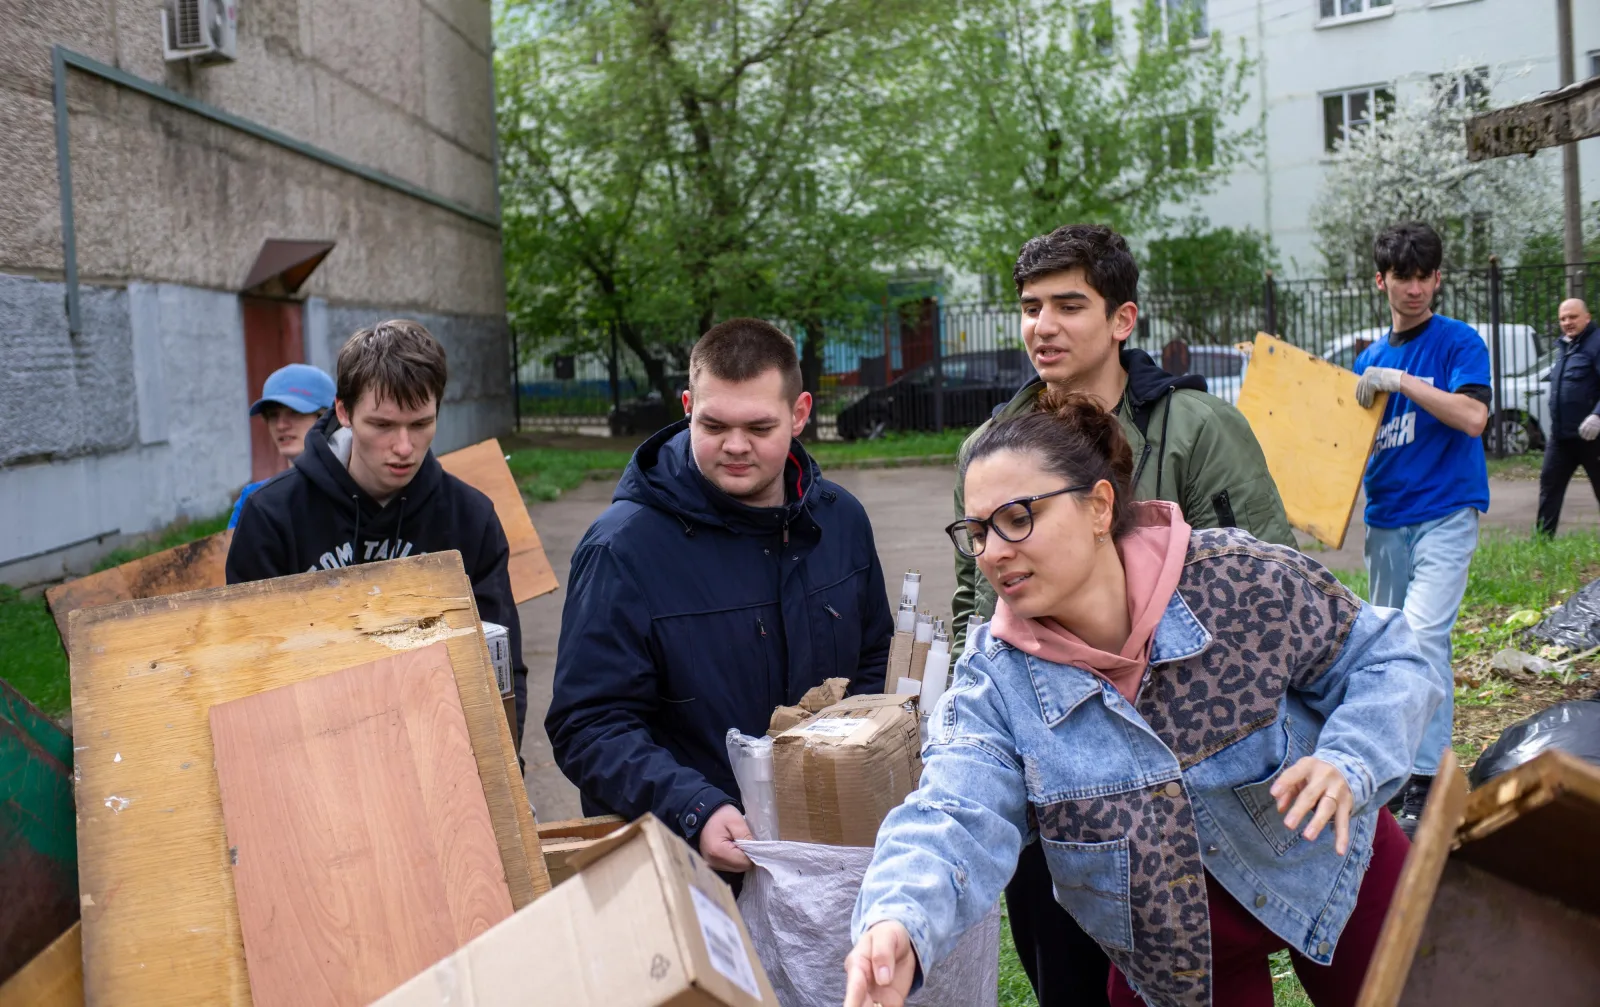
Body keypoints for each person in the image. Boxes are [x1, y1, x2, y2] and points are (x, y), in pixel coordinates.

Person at [843, 395, 1441, 1007]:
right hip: (1169, 949)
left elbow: (1386, 657)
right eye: (977, 532)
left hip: (1335, 867)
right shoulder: (996, 685)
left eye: (1017, 517)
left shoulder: (1235, 581)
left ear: (1100, 506)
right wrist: (897, 918)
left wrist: (1350, 759)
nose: (993, 551)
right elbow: (953, 813)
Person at [950, 223, 1296, 1007]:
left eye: (1069, 304)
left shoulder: (1199, 429)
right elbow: (974, 606)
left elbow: (1274, 592)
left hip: (1185, 766)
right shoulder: (989, 452)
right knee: (1066, 974)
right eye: (1031, 306)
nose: (1043, 326)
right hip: (1053, 763)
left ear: (1122, 319)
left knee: (1184, 976)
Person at [546, 318, 893, 879]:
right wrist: (693, 808)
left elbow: (876, 657)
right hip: (689, 869)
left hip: (830, 855)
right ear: (687, 405)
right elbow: (588, 725)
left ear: (800, 414)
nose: (735, 447)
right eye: (714, 424)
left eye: (759, 427)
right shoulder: (621, 549)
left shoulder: (842, 521)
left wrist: (854, 771)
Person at [225, 320, 529, 739]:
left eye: (421, 424)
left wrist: (507, 773)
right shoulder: (272, 516)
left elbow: (500, 661)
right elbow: (248, 671)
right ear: (343, 412)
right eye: (383, 426)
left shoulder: (470, 518)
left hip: (438, 743)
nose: (404, 448)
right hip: (311, 745)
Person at [1350, 222, 1489, 838]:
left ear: (1437, 278)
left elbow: (1474, 417)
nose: (1415, 288)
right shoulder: (1368, 359)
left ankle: (1427, 779)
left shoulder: (1460, 342)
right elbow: (1349, 452)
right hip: (1387, 522)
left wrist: (1403, 382)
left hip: (1446, 513)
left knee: (1426, 635)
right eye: (1403, 276)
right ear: (1382, 281)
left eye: (1425, 275)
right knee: (1387, 650)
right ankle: (1394, 771)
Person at [228, 364, 336, 529]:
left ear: (329, 419)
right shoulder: (254, 499)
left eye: (295, 412)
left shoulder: (361, 491)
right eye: (272, 415)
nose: (280, 425)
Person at [1536, 298, 1600, 537]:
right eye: (1563, 318)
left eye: (1572, 317)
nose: (1567, 322)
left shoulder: (1596, 344)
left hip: (1593, 437)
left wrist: (1597, 415)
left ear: (1587, 317)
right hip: (1562, 437)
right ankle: (1542, 542)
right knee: (1549, 486)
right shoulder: (1565, 347)